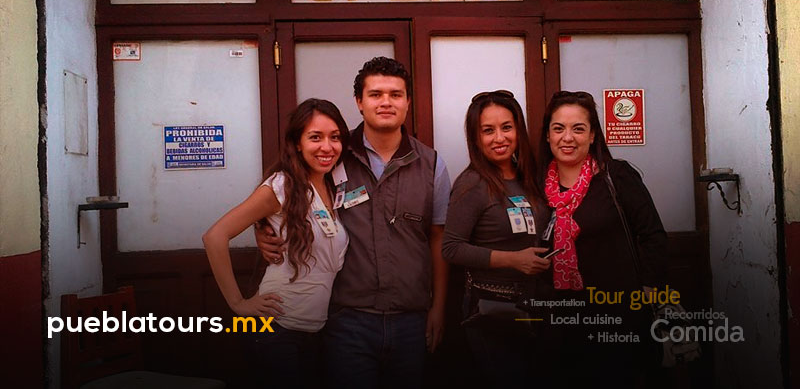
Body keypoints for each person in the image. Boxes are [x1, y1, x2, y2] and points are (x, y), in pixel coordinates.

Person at [256, 57, 451, 389]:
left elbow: (438, 238)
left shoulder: (431, 164)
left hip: (411, 319)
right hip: (347, 320)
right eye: (375, 94)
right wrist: (262, 228)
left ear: (407, 102)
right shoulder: (331, 156)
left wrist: (438, 308)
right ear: (359, 102)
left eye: (395, 94)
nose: (386, 102)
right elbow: (280, 194)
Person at [203, 98, 350, 388]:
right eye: (315, 137)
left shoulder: (334, 184)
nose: (327, 147)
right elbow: (215, 236)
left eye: (335, 137)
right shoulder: (282, 185)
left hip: (314, 333)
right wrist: (238, 304)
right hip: (274, 330)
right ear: (297, 143)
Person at [538, 90, 668, 386]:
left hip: (617, 317)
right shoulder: (535, 185)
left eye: (578, 128)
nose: (567, 137)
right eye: (558, 128)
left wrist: (647, 294)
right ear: (547, 136)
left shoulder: (616, 176)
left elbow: (653, 235)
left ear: (593, 135)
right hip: (559, 323)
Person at [441, 89, 552, 388]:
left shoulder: (530, 178)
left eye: (506, 127)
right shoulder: (472, 183)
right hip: (492, 308)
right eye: (487, 131)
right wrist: (515, 260)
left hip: (536, 304)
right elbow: (450, 248)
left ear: (518, 129)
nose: (499, 138)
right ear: (475, 138)